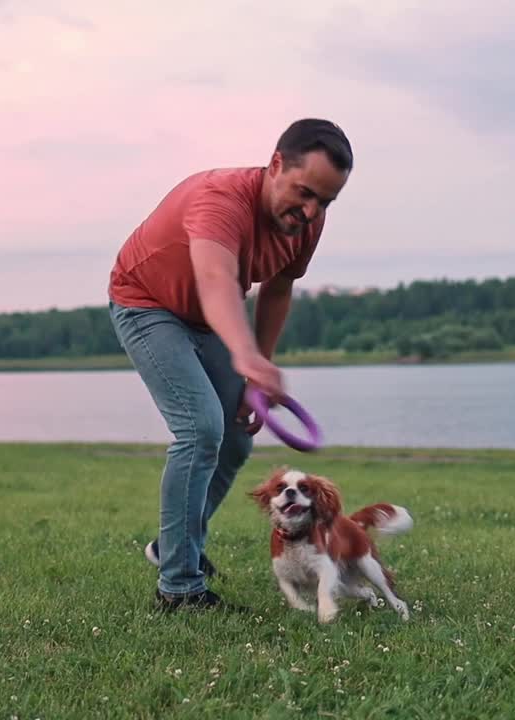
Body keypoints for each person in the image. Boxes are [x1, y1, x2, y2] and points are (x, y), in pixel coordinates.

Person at [108, 118, 352, 611]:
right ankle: (179, 587)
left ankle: (174, 547)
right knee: (200, 429)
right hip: (147, 304)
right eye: (305, 193)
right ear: (276, 164)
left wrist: (257, 367)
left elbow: (278, 288)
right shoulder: (220, 200)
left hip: (208, 320)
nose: (311, 211)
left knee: (238, 434)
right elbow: (217, 279)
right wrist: (246, 358)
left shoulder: (306, 219)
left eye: (324, 202)